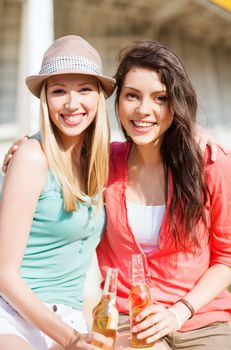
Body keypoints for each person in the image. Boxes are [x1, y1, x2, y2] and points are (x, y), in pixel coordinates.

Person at [96, 40, 231, 349]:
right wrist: (27, 145)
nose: (144, 110)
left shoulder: (212, 163)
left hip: (201, 319)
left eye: (160, 98)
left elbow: (228, 256)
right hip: (129, 319)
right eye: (132, 96)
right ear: (118, 101)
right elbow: (58, 153)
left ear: (176, 105)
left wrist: (178, 312)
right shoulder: (102, 162)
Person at [0, 35, 115, 350]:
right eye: (59, 91)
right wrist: (71, 339)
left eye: (84, 89)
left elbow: (155, 142)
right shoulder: (32, 158)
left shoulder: (103, 160)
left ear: (99, 97)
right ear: (45, 99)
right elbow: (4, 275)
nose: (71, 103)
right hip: (12, 315)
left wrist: (196, 135)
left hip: (70, 318)